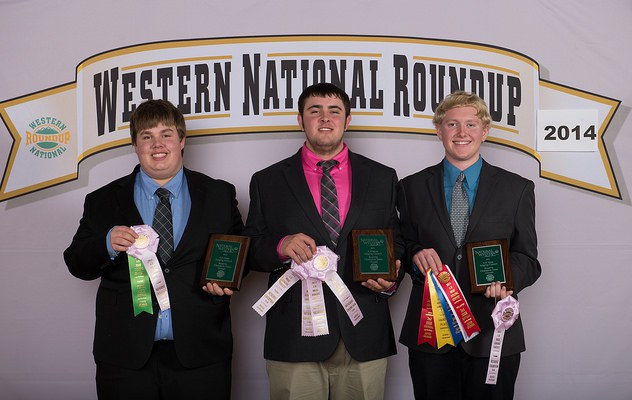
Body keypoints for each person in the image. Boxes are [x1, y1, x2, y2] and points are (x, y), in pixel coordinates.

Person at [64, 99, 244, 400]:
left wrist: (226, 280)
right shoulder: (103, 200)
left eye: (166, 134)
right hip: (125, 356)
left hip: (200, 353)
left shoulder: (219, 194)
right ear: (136, 144)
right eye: (146, 136)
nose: (157, 144)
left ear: (182, 140)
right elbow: (76, 263)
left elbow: (239, 251)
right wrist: (106, 244)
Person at [244, 82, 404, 400]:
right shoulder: (268, 180)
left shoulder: (382, 177)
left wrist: (390, 277)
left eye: (334, 111)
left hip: (364, 330)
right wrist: (279, 246)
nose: (325, 118)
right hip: (294, 335)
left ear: (347, 120)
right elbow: (250, 248)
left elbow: (397, 242)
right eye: (315, 111)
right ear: (300, 120)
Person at [397, 91, 542, 400]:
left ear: (485, 131)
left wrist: (505, 280)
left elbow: (528, 258)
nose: (462, 133)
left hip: (493, 332)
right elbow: (402, 245)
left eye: (471, 125)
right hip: (430, 336)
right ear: (439, 130)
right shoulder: (409, 188)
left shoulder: (517, 189)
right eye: (452, 124)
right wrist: (414, 254)